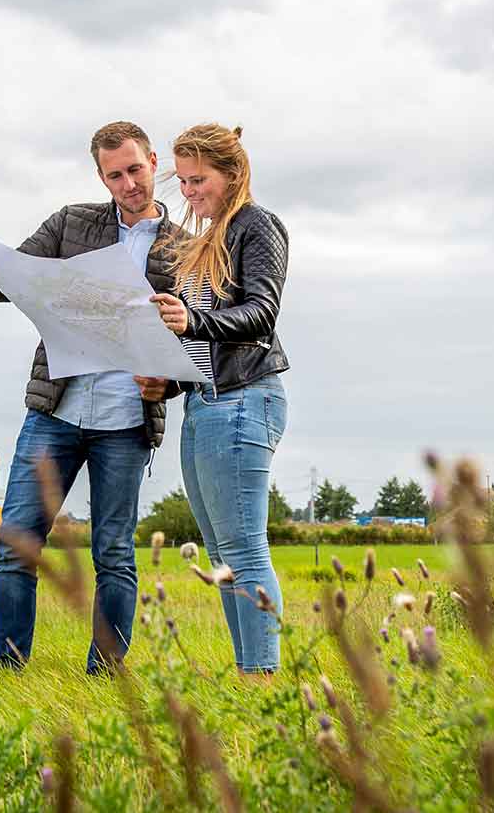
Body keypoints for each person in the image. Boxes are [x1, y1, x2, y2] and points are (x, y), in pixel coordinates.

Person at [0, 121, 182, 675]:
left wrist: (168, 385)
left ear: (153, 161)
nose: (128, 183)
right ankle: (6, 670)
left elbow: (195, 341)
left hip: (127, 420)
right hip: (55, 411)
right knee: (17, 547)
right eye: (115, 175)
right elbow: (16, 276)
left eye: (135, 169)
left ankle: (106, 675)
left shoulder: (187, 248)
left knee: (114, 556)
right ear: (100, 177)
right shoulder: (71, 223)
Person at [149, 124, 291, 674]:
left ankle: (262, 676)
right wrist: (171, 382)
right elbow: (207, 349)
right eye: (182, 182)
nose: (188, 192)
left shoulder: (257, 226)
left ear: (233, 175)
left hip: (244, 401)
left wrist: (193, 319)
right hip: (204, 404)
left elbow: (259, 314)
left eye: (198, 179)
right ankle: (247, 671)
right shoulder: (205, 239)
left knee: (246, 551)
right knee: (222, 558)